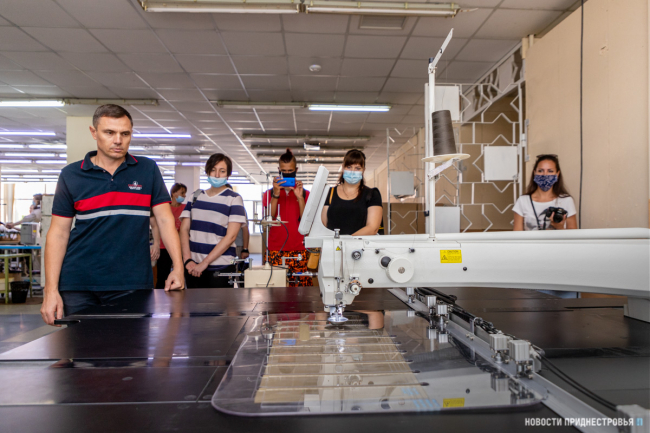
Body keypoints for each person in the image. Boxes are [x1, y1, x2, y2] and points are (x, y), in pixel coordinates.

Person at [41, 104, 184, 325]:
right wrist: (50, 290)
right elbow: (58, 233)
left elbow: (165, 220)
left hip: (132, 283)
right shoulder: (71, 175)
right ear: (94, 132)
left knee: (131, 347)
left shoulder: (147, 170)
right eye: (109, 132)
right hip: (78, 284)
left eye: (125, 134)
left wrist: (178, 267)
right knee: (80, 348)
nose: (118, 140)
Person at [180, 154, 246, 288]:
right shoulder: (195, 196)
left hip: (220, 267)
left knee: (218, 302)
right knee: (193, 301)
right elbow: (184, 229)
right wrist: (187, 260)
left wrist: (204, 263)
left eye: (222, 171)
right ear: (207, 171)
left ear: (228, 175)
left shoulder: (234, 199)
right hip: (193, 266)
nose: (217, 175)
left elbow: (231, 236)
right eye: (213, 170)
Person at [262, 149, 311, 287]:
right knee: (275, 290)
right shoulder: (269, 194)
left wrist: (300, 198)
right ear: (279, 170)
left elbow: (306, 221)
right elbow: (269, 219)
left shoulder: (306, 194)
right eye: (284, 171)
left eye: (290, 171)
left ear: (296, 170)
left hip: (299, 250)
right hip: (275, 250)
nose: (287, 173)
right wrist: (276, 194)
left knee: (301, 292)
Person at [321, 149, 383, 236]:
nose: (353, 171)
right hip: (332, 243)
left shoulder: (372, 195)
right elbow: (323, 224)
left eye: (357, 168)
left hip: (360, 244)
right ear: (343, 168)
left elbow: (373, 228)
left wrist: (347, 241)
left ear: (363, 170)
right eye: (349, 167)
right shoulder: (329, 193)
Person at [513, 154, 577, 231]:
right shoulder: (523, 201)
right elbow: (517, 234)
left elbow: (573, 235)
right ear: (534, 173)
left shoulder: (566, 200)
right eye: (540, 171)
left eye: (550, 171)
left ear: (557, 174)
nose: (545, 174)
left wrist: (560, 227)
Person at [150, 183, 187, 288]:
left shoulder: (185, 208)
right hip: (163, 247)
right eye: (182, 193)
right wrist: (156, 244)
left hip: (179, 247)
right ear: (173, 193)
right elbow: (157, 225)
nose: (184, 196)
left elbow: (185, 229)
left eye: (185, 193)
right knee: (162, 276)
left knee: (179, 276)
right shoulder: (165, 208)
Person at [225, 183, 250, 267]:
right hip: (221, 244)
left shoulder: (238, 208)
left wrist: (245, 249)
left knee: (235, 269)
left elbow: (245, 229)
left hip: (237, 245)